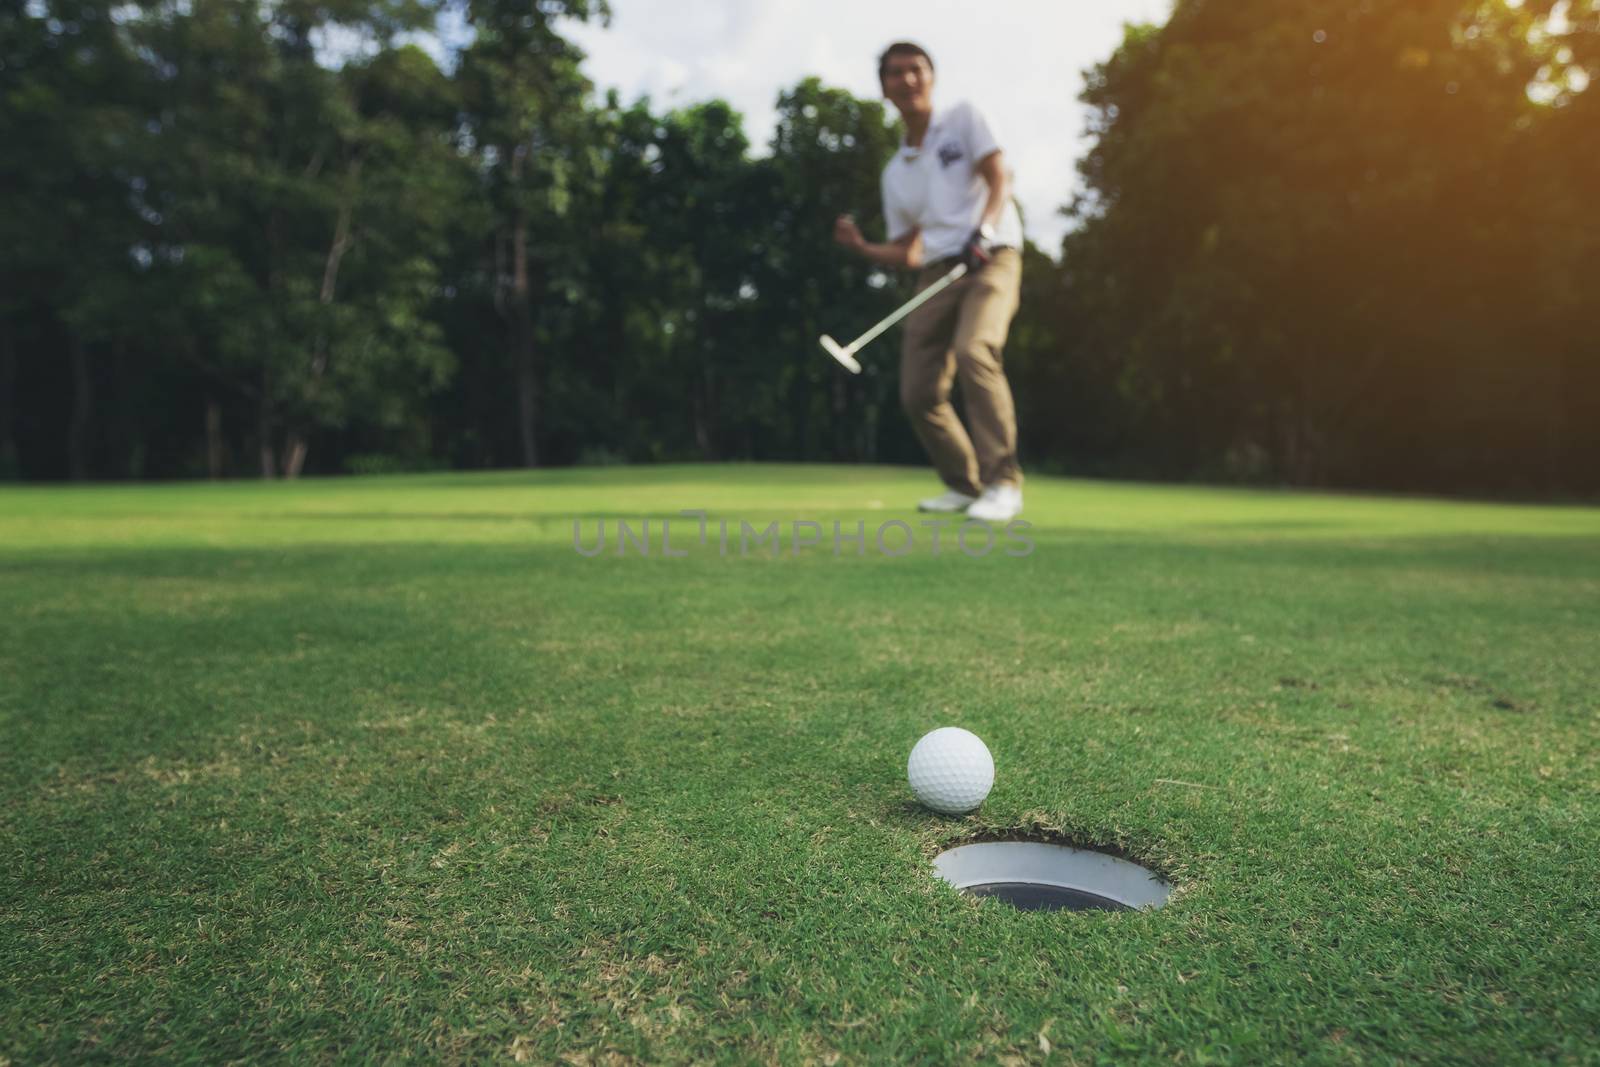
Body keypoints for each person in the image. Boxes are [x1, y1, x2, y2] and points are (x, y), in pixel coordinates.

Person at [833, 41, 1027, 522]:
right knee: (918, 391)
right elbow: (908, 250)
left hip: (993, 256)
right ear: (884, 88)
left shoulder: (963, 118)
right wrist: (862, 249)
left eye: (917, 69)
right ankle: (963, 484)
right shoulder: (895, 173)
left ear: (932, 77)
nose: (908, 79)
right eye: (896, 73)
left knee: (975, 349)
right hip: (938, 271)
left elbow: (999, 177)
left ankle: (1002, 481)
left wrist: (982, 229)